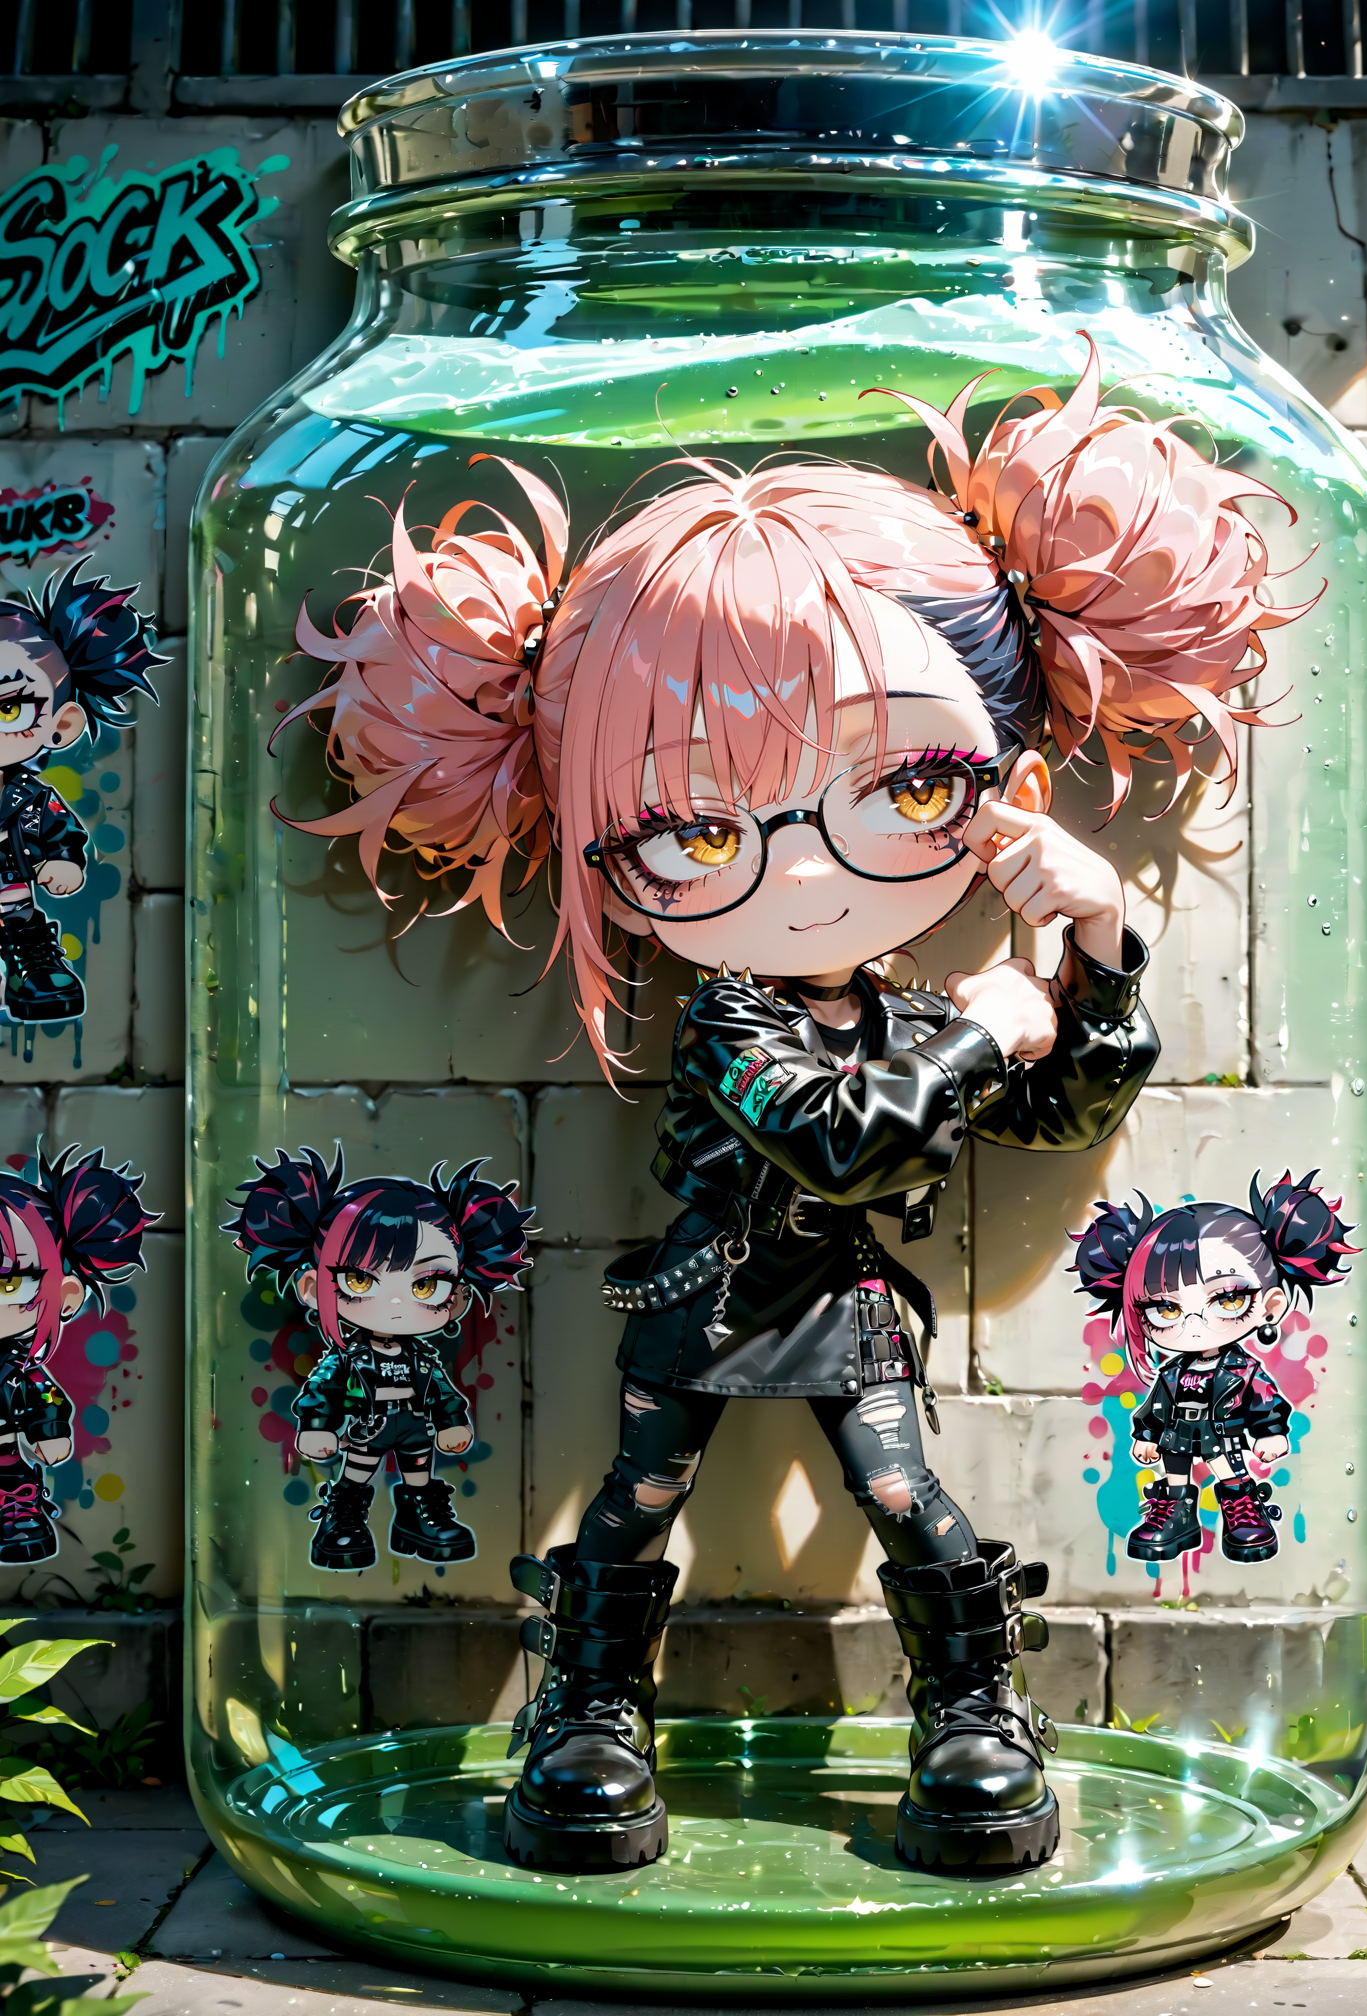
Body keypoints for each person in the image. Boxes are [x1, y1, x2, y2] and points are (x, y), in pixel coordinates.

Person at [278, 341, 1310, 1873]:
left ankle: (973, 1703)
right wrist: (986, 1022)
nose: (803, 868)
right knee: (641, 1491)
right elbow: (846, 1138)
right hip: (707, 1292)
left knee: (901, 1489)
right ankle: (590, 1707)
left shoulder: (903, 1010)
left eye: (903, 788)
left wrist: (1096, 943)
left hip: (845, 1300)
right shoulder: (732, 1019)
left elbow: (1054, 1113)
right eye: (695, 827)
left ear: (995, 782)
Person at [226, 1148, 533, 1570]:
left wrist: (452, 1421)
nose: (395, 1303)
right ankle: (342, 1520)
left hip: (414, 1427)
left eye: (425, 1285)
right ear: (313, 1288)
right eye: (360, 1279)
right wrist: (316, 1426)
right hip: (370, 1427)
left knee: (420, 1474)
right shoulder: (349, 1358)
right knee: (356, 1472)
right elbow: (321, 1390)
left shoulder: (422, 1359)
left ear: (457, 1297)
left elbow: (441, 1392)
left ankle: (419, 1519)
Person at [1072, 1175, 1356, 1564]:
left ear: (1271, 1305)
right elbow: (1156, 1406)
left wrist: (1270, 1432)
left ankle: (1241, 1508)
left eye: (1227, 1299)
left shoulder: (1243, 1369)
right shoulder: (1172, 1373)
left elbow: (1265, 1401)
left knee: (1227, 1467)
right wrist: (1147, 1435)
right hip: (1177, 1433)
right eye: (1165, 1308)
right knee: (1175, 1470)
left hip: (1219, 1433)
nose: (1192, 1324)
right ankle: (1177, 1514)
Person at [0, 559, 162, 1023]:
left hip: (9, 898)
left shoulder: (30, 798)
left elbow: (60, 832)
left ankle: (33, 967)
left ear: (62, 725)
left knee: (22, 927)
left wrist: (63, 862)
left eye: (9, 710)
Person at [0, 1144, 152, 1564]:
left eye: (8, 1284)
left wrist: (48, 1430)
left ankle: (17, 1514)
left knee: (9, 1474)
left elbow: (42, 1395)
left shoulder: (17, 1369)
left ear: (66, 1295)